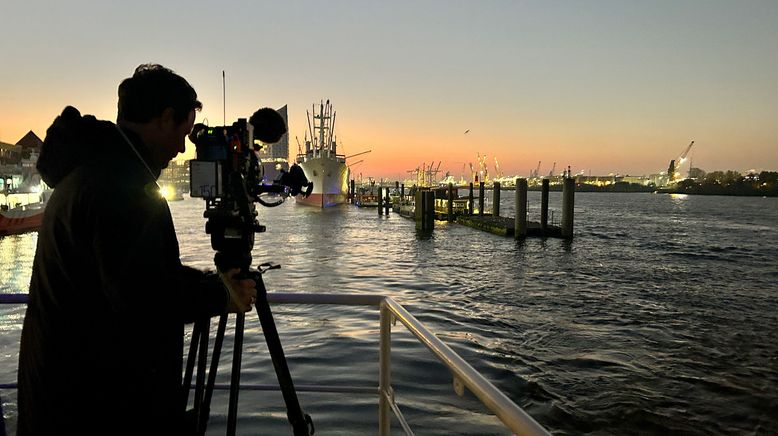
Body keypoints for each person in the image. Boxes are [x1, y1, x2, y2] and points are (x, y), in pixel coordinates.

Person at [17, 64, 257, 435]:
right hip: (95, 409)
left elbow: (130, 274)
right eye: (183, 132)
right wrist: (221, 293)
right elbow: (144, 294)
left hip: (60, 398)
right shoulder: (121, 186)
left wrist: (212, 288)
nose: (180, 149)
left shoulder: (91, 170)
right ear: (164, 119)